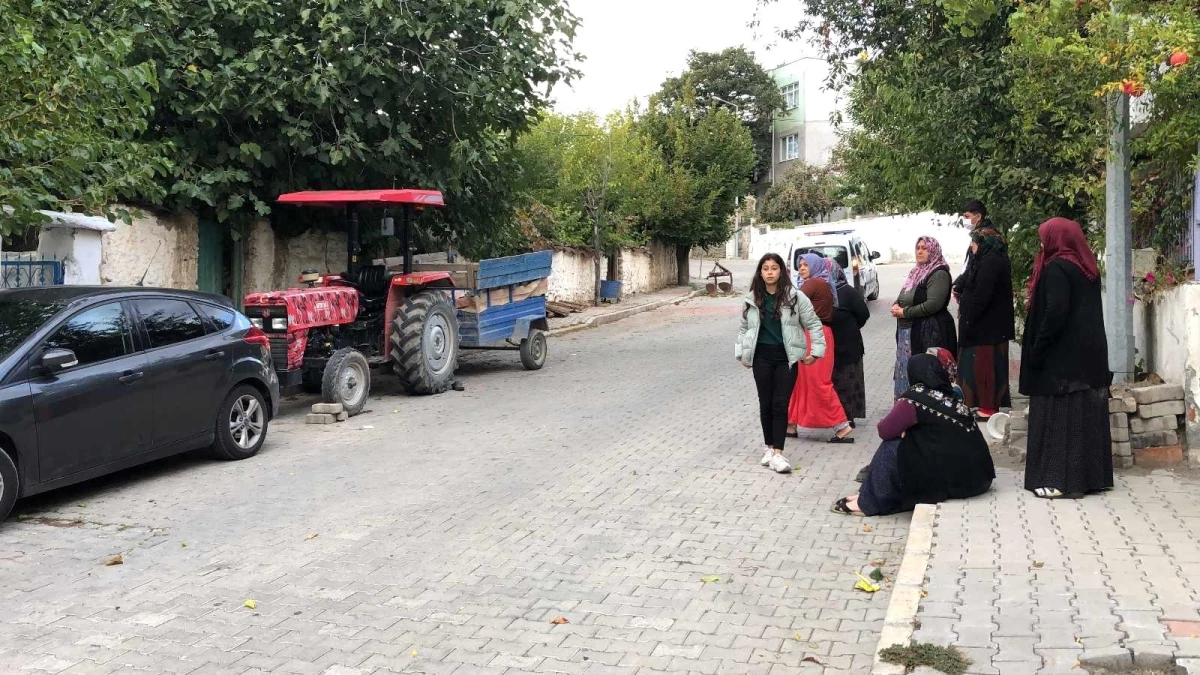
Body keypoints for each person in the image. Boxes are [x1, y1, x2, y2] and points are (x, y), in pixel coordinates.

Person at [833, 353, 995, 516]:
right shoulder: (951, 394)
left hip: (959, 483)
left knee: (893, 446)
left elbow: (885, 430)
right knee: (910, 442)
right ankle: (867, 494)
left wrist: (906, 431)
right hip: (980, 478)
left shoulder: (915, 397)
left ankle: (868, 502)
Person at [1021, 218, 1113, 499]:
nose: (1041, 243)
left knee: (1059, 420)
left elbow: (1056, 313)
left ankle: (1058, 481)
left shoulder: (1057, 268)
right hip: (1086, 359)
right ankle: (1090, 479)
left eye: (1043, 237)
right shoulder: (1087, 270)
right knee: (1083, 418)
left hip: (1060, 362)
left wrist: (1038, 348)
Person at [736, 253, 826, 474]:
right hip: (761, 357)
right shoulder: (752, 298)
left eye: (774, 268)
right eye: (765, 268)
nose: (769, 272)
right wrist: (742, 354)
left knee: (780, 403)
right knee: (765, 403)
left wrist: (816, 351)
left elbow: (814, 324)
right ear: (760, 272)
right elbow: (744, 328)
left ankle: (778, 452)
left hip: (786, 358)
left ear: (781, 272)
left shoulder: (795, 297)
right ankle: (769, 448)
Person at [787, 254, 854, 443]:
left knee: (817, 382)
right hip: (818, 334)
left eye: (806, 264)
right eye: (800, 265)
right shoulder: (822, 282)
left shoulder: (813, 283)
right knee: (800, 381)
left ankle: (841, 425)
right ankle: (790, 423)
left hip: (813, 336)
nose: (801, 268)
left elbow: (791, 303)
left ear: (815, 266)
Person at [956, 227, 1015, 420]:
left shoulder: (991, 263)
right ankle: (985, 406)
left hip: (987, 329)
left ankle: (988, 407)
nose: (972, 248)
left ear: (982, 244)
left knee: (985, 368)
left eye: (974, 243)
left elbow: (982, 296)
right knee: (983, 368)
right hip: (988, 328)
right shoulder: (990, 259)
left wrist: (969, 317)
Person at [891, 236, 957, 400]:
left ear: (933, 250)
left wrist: (905, 312)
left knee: (926, 374)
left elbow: (934, 304)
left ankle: (925, 410)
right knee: (907, 373)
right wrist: (896, 304)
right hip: (909, 332)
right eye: (917, 247)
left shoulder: (939, 273)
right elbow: (905, 294)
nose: (919, 251)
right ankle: (907, 410)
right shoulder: (917, 271)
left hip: (930, 332)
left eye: (924, 248)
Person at [828, 260, 870, 425]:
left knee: (848, 382)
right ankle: (838, 417)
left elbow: (863, 313)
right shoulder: (822, 292)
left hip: (849, 346)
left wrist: (850, 327)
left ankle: (847, 417)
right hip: (831, 347)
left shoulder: (846, 291)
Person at [954, 199, 993, 298]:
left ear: (978, 217)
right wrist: (958, 284)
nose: (964, 220)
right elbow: (969, 266)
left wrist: (959, 285)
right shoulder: (977, 235)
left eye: (967, 217)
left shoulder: (985, 238)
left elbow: (974, 268)